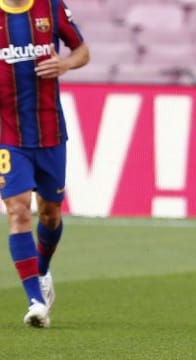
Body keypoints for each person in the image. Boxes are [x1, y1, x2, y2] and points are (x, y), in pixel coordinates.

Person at [0, 0, 89, 328]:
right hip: (7, 134)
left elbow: (82, 51)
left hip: (51, 132)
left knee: (50, 213)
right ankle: (35, 300)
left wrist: (64, 64)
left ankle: (42, 268)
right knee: (18, 210)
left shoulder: (51, 8)